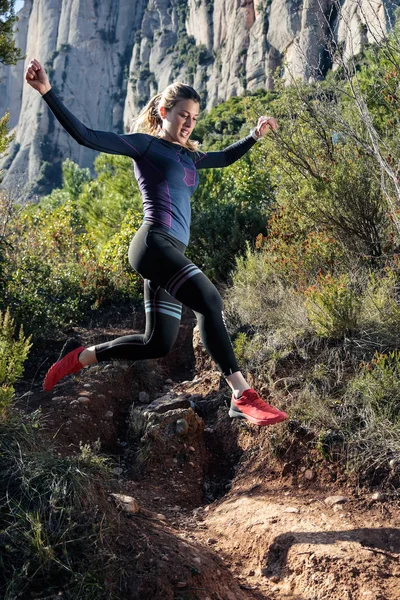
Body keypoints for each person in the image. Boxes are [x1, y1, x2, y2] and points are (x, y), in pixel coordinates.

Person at [25, 58, 288, 427]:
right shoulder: (145, 146)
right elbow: (86, 135)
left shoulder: (191, 156)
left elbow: (226, 157)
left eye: (194, 118)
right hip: (152, 244)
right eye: (182, 115)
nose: (188, 123)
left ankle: (80, 357)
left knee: (157, 343)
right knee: (209, 301)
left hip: (170, 253)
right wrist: (47, 92)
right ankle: (242, 394)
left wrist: (255, 135)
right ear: (164, 111)